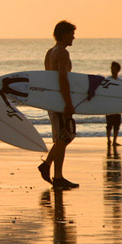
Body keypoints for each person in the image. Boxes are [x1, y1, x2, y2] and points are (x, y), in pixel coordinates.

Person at [38, 21, 79, 189]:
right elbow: (62, 79)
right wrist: (68, 103)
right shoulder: (62, 53)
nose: (74, 37)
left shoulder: (50, 52)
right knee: (62, 138)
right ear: (64, 35)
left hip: (52, 100)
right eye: (71, 34)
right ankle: (58, 177)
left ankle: (47, 165)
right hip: (59, 101)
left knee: (66, 136)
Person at [106, 61, 122, 146]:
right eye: (111, 69)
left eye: (114, 69)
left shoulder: (121, 82)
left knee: (117, 125)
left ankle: (114, 141)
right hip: (109, 106)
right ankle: (108, 140)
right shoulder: (107, 80)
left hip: (117, 107)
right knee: (109, 125)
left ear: (118, 70)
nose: (112, 70)